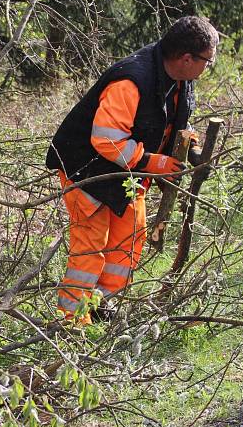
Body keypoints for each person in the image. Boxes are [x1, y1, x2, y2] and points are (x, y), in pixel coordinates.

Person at [46, 16, 219, 324]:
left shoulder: (180, 79)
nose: (209, 66)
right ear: (187, 58)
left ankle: (99, 307)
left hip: (127, 174)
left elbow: (171, 121)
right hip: (87, 171)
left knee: (129, 237)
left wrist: (188, 150)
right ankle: (70, 324)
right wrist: (153, 162)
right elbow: (106, 139)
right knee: (90, 249)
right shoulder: (131, 81)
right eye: (209, 60)